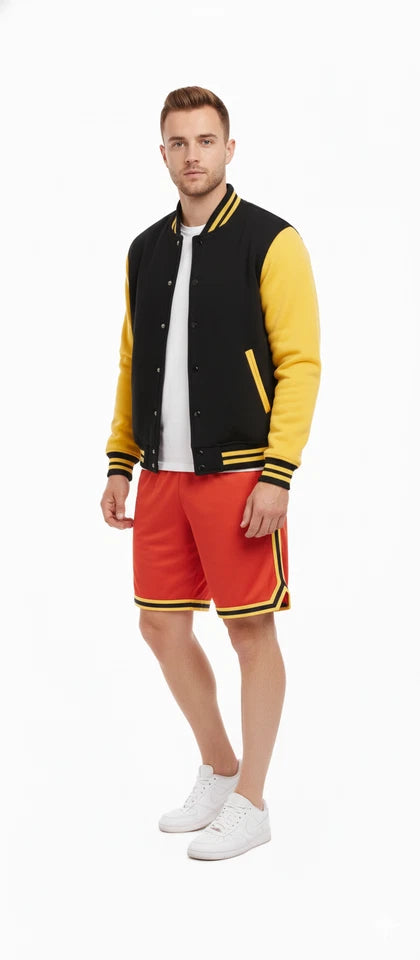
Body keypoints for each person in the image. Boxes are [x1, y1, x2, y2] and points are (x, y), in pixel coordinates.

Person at [100, 85, 321, 861]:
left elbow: (300, 364)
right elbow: (132, 362)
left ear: (230, 148)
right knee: (160, 624)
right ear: (162, 152)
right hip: (161, 472)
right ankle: (221, 769)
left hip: (239, 472)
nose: (191, 155)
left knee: (248, 628)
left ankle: (252, 802)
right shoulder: (145, 249)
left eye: (204, 140)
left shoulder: (272, 240)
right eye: (178, 142)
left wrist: (278, 473)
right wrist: (120, 461)